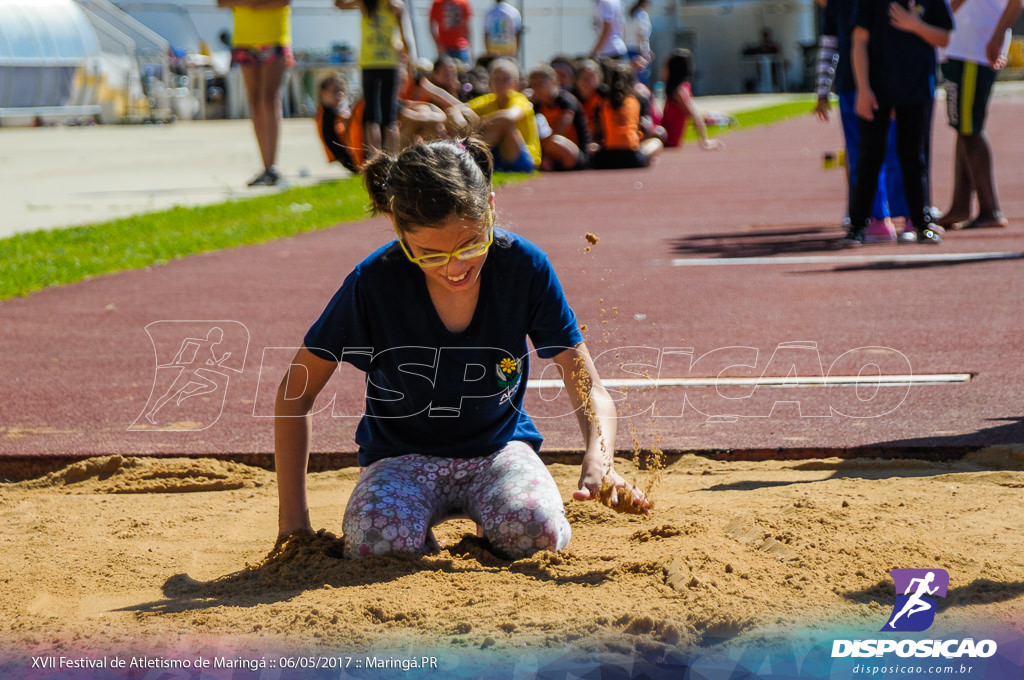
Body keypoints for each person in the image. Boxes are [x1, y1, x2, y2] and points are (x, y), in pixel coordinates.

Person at [273, 136, 649, 559]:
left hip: (498, 452)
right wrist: (294, 524)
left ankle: (490, 526)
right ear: (399, 228)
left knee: (536, 534)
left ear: (489, 206)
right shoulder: (373, 281)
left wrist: (601, 459)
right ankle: (414, 535)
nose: (455, 268)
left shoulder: (524, 265)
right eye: (430, 255)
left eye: (472, 245)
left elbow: (588, 384)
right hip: (400, 459)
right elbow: (295, 392)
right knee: (376, 545)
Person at [842, 0, 953, 246]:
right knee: (870, 157)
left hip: (916, 91)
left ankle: (921, 224)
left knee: (914, 157)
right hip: (877, 92)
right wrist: (863, 89)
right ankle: (857, 226)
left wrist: (916, 25)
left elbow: (944, 38)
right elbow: (859, 41)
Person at [814, 0, 912, 243]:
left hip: (890, 86)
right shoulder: (838, 6)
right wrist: (823, 88)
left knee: (900, 152)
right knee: (862, 156)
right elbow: (830, 43)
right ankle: (877, 217)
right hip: (851, 88)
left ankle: (911, 214)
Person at [935, 0, 1022, 230]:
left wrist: (997, 35)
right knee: (963, 127)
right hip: (960, 47)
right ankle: (960, 206)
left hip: (973, 48)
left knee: (969, 128)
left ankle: (989, 209)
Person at [218, 0, 293, 187]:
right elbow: (222, 2)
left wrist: (250, 4)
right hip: (244, 40)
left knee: (269, 99)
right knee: (255, 102)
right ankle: (266, 166)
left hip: (274, 37)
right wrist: (255, 4)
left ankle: (272, 166)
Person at [335, 0, 416, 158]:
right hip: (383, 63)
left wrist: (409, 63)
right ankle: (387, 158)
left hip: (375, 63)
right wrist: (410, 62)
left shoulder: (372, 4)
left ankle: (379, 158)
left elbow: (339, 3)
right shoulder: (375, 4)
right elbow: (405, 36)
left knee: (377, 114)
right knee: (384, 114)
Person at [464, 58, 542, 173]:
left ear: (516, 83)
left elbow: (509, 116)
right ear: (490, 82)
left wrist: (478, 123)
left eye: (505, 79)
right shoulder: (488, 100)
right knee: (461, 118)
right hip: (499, 156)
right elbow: (461, 108)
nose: (500, 83)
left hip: (526, 159)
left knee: (504, 123)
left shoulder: (519, 99)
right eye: (497, 79)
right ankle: (465, 157)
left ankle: (467, 158)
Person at [588, 61, 663, 169]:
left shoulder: (602, 102)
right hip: (632, 157)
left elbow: (598, 131)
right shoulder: (638, 100)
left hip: (606, 158)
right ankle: (647, 159)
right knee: (656, 142)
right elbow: (647, 128)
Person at [529, 64, 590, 170]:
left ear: (553, 81)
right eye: (534, 85)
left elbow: (559, 131)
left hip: (576, 153)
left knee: (554, 141)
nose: (537, 89)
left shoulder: (566, 101)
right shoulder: (537, 106)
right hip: (551, 152)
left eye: (540, 84)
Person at [660, 49, 724, 151]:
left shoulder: (679, 91)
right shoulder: (674, 90)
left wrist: (705, 141)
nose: (662, 70)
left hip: (668, 138)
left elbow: (694, 115)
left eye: (665, 67)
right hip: (665, 134)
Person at [314, 72, 361, 173]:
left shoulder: (336, 112)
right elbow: (330, 140)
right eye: (335, 91)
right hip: (350, 158)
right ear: (323, 93)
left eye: (342, 91)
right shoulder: (326, 115)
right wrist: (353, 162)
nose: (340, 95)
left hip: (351, 157)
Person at [429, 0, 473, 65]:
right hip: (444, 47)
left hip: (461, 47)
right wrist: (438, 44)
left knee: (463, 71)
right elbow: (431, 25)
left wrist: (470, 46)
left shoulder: (463, 2)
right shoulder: (437, 3)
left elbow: (467, 26)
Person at [625, 0, 654, 86]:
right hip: (638, 49)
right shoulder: (642, 15)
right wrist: (644, 51)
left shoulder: (632, 15)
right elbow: (641, 35)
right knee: (641, 77)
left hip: (629, 48)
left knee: (632, 76)